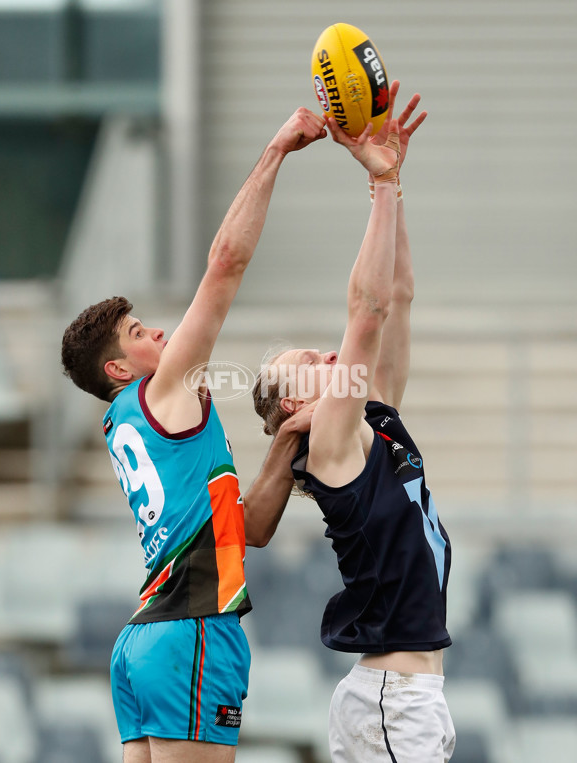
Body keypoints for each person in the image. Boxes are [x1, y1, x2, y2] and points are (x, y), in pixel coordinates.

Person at [61, 107, 326, 763]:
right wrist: (276, 151)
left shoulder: (136, 422)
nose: (157, 332)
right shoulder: (161, 391)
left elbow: (251, 528)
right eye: (138, 332)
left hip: (147, 638)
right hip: (192, 629)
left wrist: (288, 439)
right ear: (120, 369)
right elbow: (226, 263)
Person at [252, 81, 456, 762]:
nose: (326, 351)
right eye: (307, 360)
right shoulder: (332, 441)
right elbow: (365, 312)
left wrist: (388, 184)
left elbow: (394, 296)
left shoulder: (373, 424)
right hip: (393, 700)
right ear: (292, 408)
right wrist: (381, 182)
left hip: (402, 699)